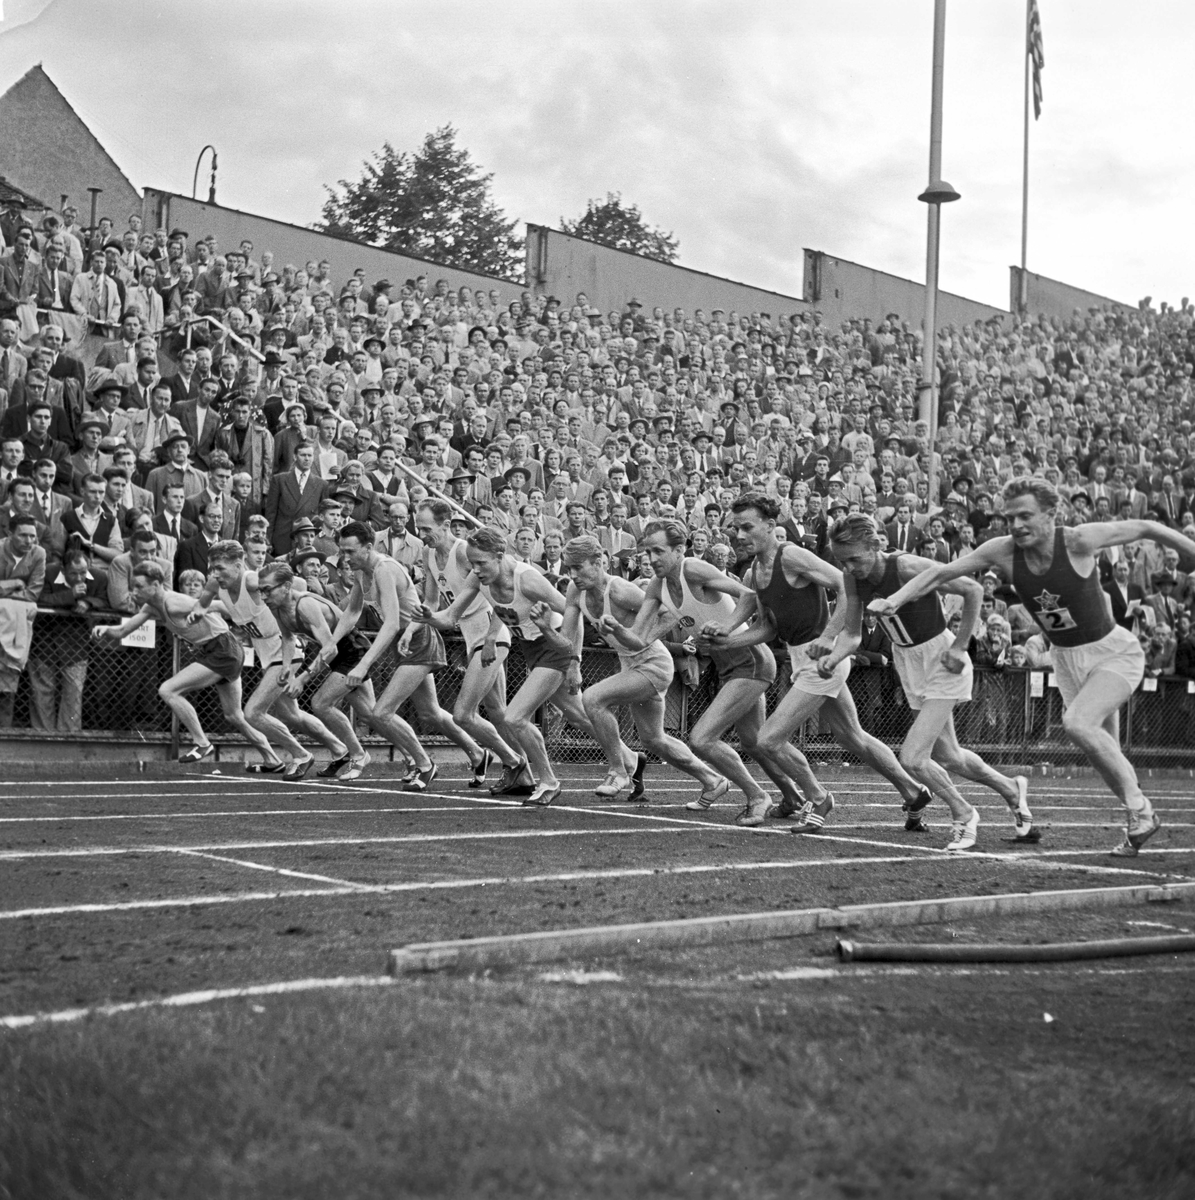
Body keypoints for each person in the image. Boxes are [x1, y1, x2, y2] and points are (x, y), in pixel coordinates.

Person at [875, 476, 1195, 856]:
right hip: (1066, 659)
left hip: (1112, 653)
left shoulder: (1078, 540)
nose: (1017, 526)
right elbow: (941, 573)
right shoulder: (1002, 550)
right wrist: (896, 599)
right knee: (1103, 751)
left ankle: (1141, 812)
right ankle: (1138, 816)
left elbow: (1146, 526)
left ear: (1051, 514)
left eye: (1025, 516)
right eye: (1010, 517)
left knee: (1078, 724)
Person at [707, 494, 933, 833]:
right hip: (803, 656)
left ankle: (818, 796)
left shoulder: (792, 556)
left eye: (747, 527)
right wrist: (726, 636)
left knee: (767, 740)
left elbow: (848, 586)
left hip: (824, 656)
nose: (739, 535)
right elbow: (767, 627)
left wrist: (829, 638)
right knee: (853, 737)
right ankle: (913, 792)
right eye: (736, 528)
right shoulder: (754, 572)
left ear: (771, 526)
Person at [819, 513, 1034, 852]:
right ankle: (1011, 788)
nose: (848, 568)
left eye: (854, 559)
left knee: (913, 757)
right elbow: (852, 633)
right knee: (950, 757)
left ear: (875, 546)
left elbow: (972, 589)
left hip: (942, 657)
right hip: (909, 661)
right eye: (841, 561)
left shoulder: (905, 567)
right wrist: (832, 658)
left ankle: (964, 814)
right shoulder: (853, 579)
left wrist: (961, 646)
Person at [419, 527, 634, 806]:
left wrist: (574, 661)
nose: (475, 569)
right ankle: (630, 760)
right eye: (471, 564)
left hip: (554, 645)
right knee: (579, 715)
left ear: (499, 556)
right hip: (531, 647)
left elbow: (574, 610)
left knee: (515, 716)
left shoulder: (528, 579)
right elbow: (449, 617)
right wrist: (426, 616)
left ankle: (548, 781)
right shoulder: (480, 576)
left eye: (481, 563)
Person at [92, 558, 282, 768]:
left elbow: (219, 604)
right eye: (132, 586)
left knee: (168, 690)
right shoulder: (150, 607)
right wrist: (106, 630)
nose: (133, 591)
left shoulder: (174, 602)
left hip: (223, 649)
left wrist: (257, 619)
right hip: (221, 650)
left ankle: (202, 744)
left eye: (138, 586)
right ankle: (272, 759)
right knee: (234, 716)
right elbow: (123, 631)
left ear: (155, 586)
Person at [188, 539, 348, 779]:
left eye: (220, 567)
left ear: (238, 564)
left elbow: (297, 583)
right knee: (292, 716)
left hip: (285, 649)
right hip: (267, 653)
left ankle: (301, 755)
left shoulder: (251, 580)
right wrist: (199, 611)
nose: (214, 573)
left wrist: (295, 611)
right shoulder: (215, 584)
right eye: (211, 567)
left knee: (253, 712)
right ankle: (340, 749)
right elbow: (203, 604)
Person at [326, 521, 465, 793]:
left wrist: (364, 663)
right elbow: (352, 612)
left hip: (417, 637)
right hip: (402, 641)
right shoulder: (362, 570)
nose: (345, 557)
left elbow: (390, 623)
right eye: (342, 551)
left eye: (350, 551)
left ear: (368, 548)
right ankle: (476, 753)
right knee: (430, 712)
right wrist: (330, 643)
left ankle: (424, 764)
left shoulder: (383, 569)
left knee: (381, 712)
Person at [413, 500, 523, 788]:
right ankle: (522, 775)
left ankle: (513, 760)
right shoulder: (428, 552)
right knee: (499, 713)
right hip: (471, 636)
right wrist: (417, 621)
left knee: (463, 715)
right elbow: (433, 603)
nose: (422, 533)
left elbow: (501, 596)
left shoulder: (464, 552)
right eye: (419, 527)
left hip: (490, 635)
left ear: (445, 525)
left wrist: (489, 639)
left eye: (427, 528)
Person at [260, 560, 376, 781]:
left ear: (285, 586)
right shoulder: (278, 606)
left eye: (267, 590)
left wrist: (302, 678)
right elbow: (287, 638)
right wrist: (286, 668)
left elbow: (330, 650)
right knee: (372, 714)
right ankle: (414, 759)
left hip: (352, 649)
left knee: (321, 703)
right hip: (339, 653)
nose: (263, 596)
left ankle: (359, 755)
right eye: (260, 590)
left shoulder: (305, 605)